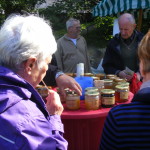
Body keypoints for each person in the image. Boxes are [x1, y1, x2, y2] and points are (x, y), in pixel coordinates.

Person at [0, 14, 68, 149]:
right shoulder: (29, 120)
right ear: (30, 65)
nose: (46, 69)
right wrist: (54, 118)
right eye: (47, 63)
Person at [99, 30, 150, 149]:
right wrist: (117, 72)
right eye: (122, 28)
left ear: (141, 68)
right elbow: (107, 65)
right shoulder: (113, 42)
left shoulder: (119, 117)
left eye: (127, 28)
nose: (123, 32)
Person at [102, 13, 144, 81]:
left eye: (126, 29)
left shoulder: (143, 41)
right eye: (121, 29)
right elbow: (106, 66)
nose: (123, 33)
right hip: (118, 83)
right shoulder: (113, 43)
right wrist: (118, 73)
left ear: (134, 26)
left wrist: (139, 74)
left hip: (140, 83)